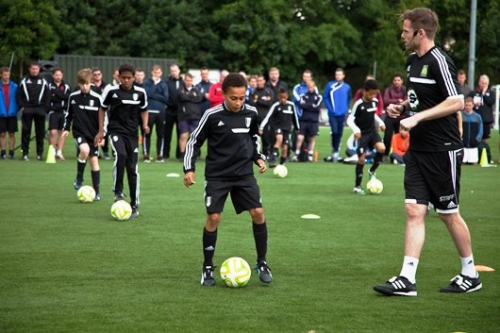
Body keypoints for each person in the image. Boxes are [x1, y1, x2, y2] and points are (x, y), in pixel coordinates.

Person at [374, 7, 481, 297]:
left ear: (420, 33)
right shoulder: (412, 61)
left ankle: (470, 273)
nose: (402, 35)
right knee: (413, 210)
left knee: (448, 214)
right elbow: (420, 99)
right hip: (418, 150)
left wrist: (418, 118)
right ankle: (407, 279)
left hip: (441, 149)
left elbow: (457, 101)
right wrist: (404, 108)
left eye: (406, 31)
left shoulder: (440, 61)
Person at [183, 73, 271, 287]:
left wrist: (258, 156)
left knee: (258, 212)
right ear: (224, 95)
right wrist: (189, 169)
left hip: (243, 174)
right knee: (214, 217)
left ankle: (262, 262)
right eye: (234, 98)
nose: (238, 102)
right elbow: (194, 141)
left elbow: (253, 137)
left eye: (242, 98)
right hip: (218, 175)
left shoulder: (251, 112)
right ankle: (207, 267)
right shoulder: (212, 115)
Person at [95, 63, 149, 219]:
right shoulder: (111, 91)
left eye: (129, 78)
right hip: (116, 131)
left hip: (133, 134)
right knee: (121, 155)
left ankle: (134, 205)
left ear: (133, 78)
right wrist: (101, 130)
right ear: (118, 77)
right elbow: (102, 108)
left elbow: (144, 110)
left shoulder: (140, 93)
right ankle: (118, 190)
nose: (126, 80)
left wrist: (145, 124)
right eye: (123, 78)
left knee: (132, 169)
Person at [62, 69, 103, 200]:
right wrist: (66, 128)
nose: (84, 86)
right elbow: (68, 115)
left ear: (91, 83)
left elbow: (104, 117)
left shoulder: (98, 98)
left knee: (94, 161)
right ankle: (79, 178)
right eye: (82, 84)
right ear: (78, 83)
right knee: (84, 150)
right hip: (79, 132)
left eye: (86, 84)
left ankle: (96, 192)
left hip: (94, 134)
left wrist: (102, 134)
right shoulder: (73, 97)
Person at [346, 79, 385, 194]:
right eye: (371, 93)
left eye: (375, 94)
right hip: (362, 134)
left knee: (382, 149)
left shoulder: (375, 101)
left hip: (373, 132)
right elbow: (350, 119)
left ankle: (372, 171)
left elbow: (373, 115)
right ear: (364, 91)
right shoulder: (358, 104)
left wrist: (381, 123)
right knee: (361, 159)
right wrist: (356, 130)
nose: (373, 96)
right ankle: (357, 186)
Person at [16, 61, 51, 161]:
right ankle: (25, 153)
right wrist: (22, 106)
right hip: (27, 109)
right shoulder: (24, 80)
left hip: (40, 109)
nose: (35, 71)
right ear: (30, 69)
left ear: (39, 70)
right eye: (33, 69)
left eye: (36, 69)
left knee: (40, 132)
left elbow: (48, 96)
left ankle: (39, 154)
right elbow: (19, 95)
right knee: (25, 131)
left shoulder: (44, 81)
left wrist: (45, 108)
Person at [259, 88, 299, 167]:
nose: (283, 99)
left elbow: (295, 118)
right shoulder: (276, 105)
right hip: (277, 128)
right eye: (281, 98)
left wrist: (297, 128)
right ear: (278, 97)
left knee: (285, 148)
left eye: (284, 97)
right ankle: (273, 159)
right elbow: (268, 117)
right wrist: (261, 127)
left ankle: (282, 164)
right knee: (279, 139)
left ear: (287, 96)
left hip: (287, 130)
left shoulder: (291, 105)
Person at [323, 68, 352, 162]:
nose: (338, 76)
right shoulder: (330, 85)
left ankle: (336, 151)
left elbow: (349, 98)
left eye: (340, 75)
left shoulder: (347, 87)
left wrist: (346, 109)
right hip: (333, 113)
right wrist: (330, 108)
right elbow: (325, 97)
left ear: (343, 76)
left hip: (342, 114)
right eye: (336, 74)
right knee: (334, 131)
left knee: (339, 133)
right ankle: (334, 149)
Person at [143, 65, 169, 163]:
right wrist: (154, 84)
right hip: (149, 112)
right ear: (152, 72)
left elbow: (165, 98)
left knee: (160, 134)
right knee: (147, 133)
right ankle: (146, 154)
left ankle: (159, 155)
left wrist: (153, 95)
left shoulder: (164, 84)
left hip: (160, 112)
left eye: (158, 73)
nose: (156, 74)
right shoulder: (147, 82)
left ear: (161, 73)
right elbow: (147, 94)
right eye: (155, 72)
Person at [468, 74, 496, 164]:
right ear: (479, 83)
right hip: (475, 120)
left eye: (485, 83)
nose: (483, 85)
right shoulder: (474, 92)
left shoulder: (491, 93)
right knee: (475, 138)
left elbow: (491, 102)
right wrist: (474, 104)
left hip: (486, 119)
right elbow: (467, 101)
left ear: (488, 84)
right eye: (482, 83)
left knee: (484, 138)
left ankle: (485, 156)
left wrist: (484, 94)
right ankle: (474, 157)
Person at [293, 81, 322, 162]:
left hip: (313, 120)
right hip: (304, 120)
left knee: (311, 138)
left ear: (314, 87)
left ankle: (310, 154)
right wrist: (311, 105)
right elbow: (301, 105)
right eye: (309, 87)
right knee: (300, 137)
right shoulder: (303, 96)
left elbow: (317, 108)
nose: (310, 88)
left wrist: (308, 105)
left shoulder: (319, 97)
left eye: (312, 87)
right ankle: (297, 154)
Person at [177, 73, 203, 159]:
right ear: (184, 80)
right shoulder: (180, 89)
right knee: (183, 135)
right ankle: (182, 154)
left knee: (194, 136)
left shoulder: (197, 89)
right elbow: (182, 97)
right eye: (187, 80)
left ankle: (193, 154)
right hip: (183, 116)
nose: (189, 82)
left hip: (195, 116)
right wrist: (192, 96)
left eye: (190, 80)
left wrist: (188, 96)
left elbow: (199, 98)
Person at [48, 68, 71, 160]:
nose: (58, 77)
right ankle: (52, 151)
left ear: (62, 76)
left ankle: (59, 152)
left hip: (64, 112)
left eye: (59, 75)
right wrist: (60, 96)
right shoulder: (49, 86)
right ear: (53, 76)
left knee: (62, 133)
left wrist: (56, 94)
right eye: (56, 75)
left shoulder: (66, 86)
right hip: (53, 112)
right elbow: (49, 97)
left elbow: (67, 97)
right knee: (53, 132)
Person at [382, 73, 407, 161]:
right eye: (395, 80)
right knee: (387, 136)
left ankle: (396, 156)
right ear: (393, 81)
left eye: (398, 80)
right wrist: (397, 100)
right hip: (390, 117)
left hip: (401, 117)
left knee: (400, 136)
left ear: (402, 81)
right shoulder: (388, 90)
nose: (397, 82)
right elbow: (385, 101)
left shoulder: (405, 90)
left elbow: (407, 101)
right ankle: (385, 154)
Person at [249, 74, 274, 157]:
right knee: (255, 137)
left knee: (266, 138)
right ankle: (256, 153)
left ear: (264, 81)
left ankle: (266, 154)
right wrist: (263, 100)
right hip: (255, 118)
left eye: (261, 80)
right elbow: (252, 103)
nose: (259, 82)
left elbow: (269, 103)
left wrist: (258, 101)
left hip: (266, 118)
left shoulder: (269, 91)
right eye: (258, 81)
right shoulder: (253, 92)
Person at [163, 63, 184, 161]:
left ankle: (180, 154)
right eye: (172, 71)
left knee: (181, 134)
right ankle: (165, 155)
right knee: (167, 133)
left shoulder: (183, 82)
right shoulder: (166, 82)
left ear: (179, 71)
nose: (174, 73)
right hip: (169, 111)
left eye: (175, 70)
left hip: (180, 112)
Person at [91, 68, 111, 160]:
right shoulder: (90, 85)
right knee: (93, 130)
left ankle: (105, 151)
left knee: (104, 129)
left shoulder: (106, 86)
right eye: (95, 74)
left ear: (101, 75)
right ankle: (95, 150)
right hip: (92, 110)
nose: (97, 76)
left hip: (104, 110)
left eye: (98, 74)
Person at [0, 67, 19, 159]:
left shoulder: (15, 86)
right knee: (2, 133)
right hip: (1, 113)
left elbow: (18, 99)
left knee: (12, 133)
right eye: (5, 75)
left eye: (8, 75)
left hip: (12, 113)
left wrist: (15, 109)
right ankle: (3, 151)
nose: (7, 77)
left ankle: (11, 152)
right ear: (1, 75)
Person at [461, 97, 483, 165]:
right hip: (463, 143)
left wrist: (478, 138)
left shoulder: (477, 116)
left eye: (469, 105)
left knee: (474, 163)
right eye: (466, 105)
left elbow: (481, 128)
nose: (468, 107)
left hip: (474, 142)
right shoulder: (461, 115)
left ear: (473, 105)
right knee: (463, 162)